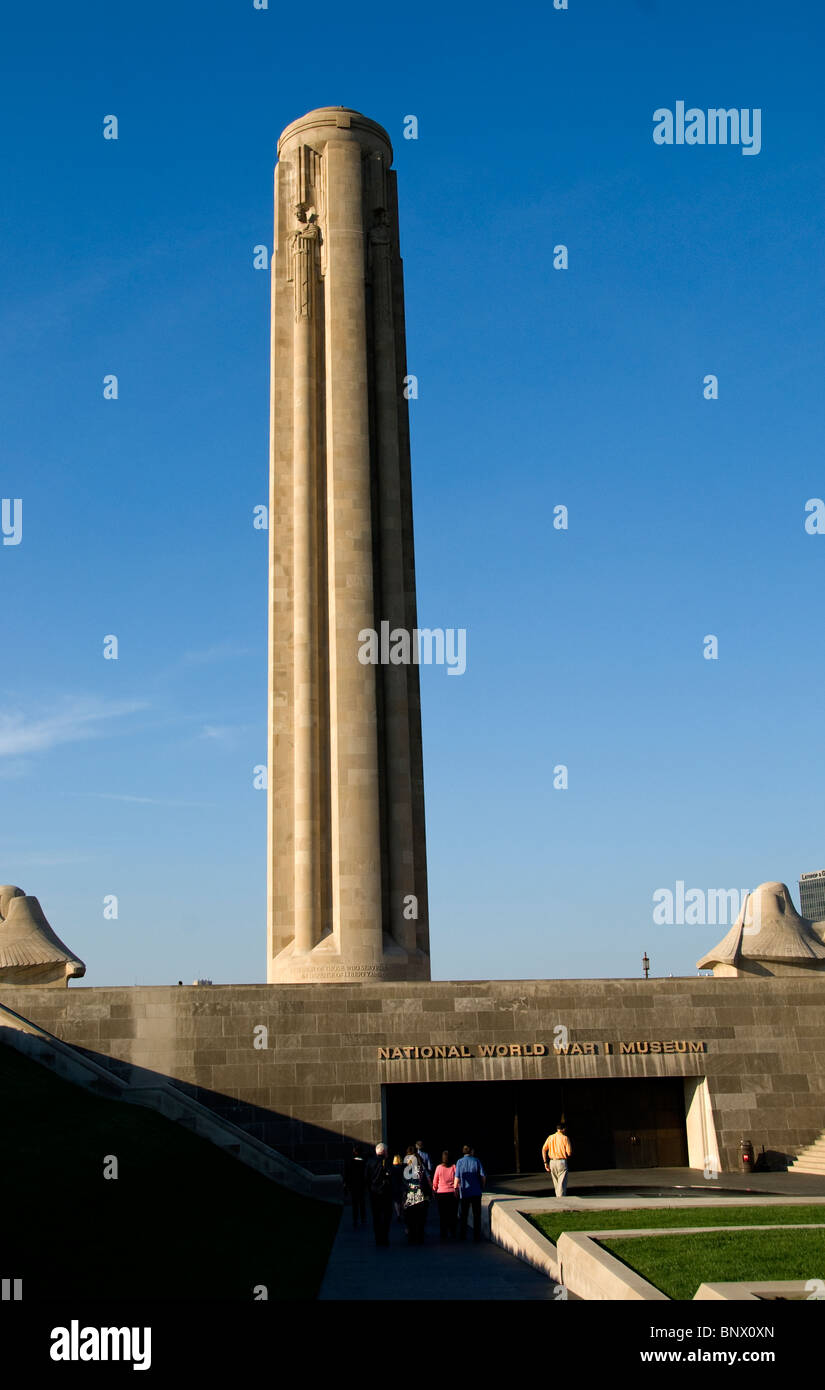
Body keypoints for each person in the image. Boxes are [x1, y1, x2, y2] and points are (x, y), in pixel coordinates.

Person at [454, 1145, 486, 1242]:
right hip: (476, 1191)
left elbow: (457, 1177)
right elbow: (483, 1176)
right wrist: (482, 1186)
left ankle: (463, 1235)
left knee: (464, 1215)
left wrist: (455, 1188)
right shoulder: (476, 1161)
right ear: (471, 1151)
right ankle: (476, 1236)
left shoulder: (459, 1162)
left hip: (465, 1192)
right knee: (477, 1215)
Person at [401, 1143, 430, 1244]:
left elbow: (404, 1185)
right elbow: (425, 1184)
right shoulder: (421, 1170)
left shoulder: (406, 1171)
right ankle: (420, 1237)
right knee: (420, 1219)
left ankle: (411, 1237)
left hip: (409, 1197)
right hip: (420, 1197)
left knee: (410, 1219)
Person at [365, 1143, 393, 1246]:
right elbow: (391, 1176)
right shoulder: (387, 1162)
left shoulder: (370, 1162)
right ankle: (384, 1237)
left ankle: (378, 1238)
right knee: (386, 1216)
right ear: (384, 1152)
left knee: (376, 1216)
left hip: (374, 1193)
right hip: (385, 1193)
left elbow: (366, 1178)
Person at [431, 1149, 458, 1239]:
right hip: (452, 1194)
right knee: (452, 1214)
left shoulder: (439, 1168)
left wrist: (434, 1189)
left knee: (443, 1215)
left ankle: (443, 1233)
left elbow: (435, 1181)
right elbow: (457, 1180)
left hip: (441, 1194)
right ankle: (453, 1232)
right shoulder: (454, 1167)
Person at [542, 1121, 572, 1197]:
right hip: (561, 1161)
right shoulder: (565, 1138)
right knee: (561, 1184)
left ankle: (557, 1198)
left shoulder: (550, 1137)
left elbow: (544, 1149)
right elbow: (569, 1153)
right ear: (563, 1129)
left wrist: (545, 1162)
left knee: (556, 1184)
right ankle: (561, 1201)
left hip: (552, 1162)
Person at [343, 1143, 367, 1228]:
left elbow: (346, 1175)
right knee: (362, 1202)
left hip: (353, 1185)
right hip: (361, 1185)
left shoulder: (350, 1162)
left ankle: (355, 1220)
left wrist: (345, 1184)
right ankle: (363, 1219)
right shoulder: (364, 1162)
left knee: (355, 1203)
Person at [391, 1153, 404, 1221]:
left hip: (395, 1186)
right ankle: (401, 1212)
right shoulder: (402, 1167)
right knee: (401, 1200)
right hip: (401, 1186)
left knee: (396, 1201)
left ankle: (398, 1214)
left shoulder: (392, 1168)